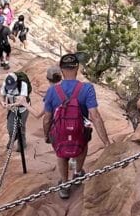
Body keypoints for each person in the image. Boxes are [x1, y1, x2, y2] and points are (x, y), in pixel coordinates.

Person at [42, 53, 111, 199]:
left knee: (60, 153)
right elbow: (95, 116)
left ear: (61, 70)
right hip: (79, 131)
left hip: (59, 133)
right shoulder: (87, 89)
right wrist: (106, 143)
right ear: (77, 68)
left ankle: (65, 184)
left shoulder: (52, 91)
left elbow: (47, 118)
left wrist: (46, 135)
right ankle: (78, 173)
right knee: (83, 141)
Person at [0, 72, 30, 152]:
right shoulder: (5, 84)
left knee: (21, 127)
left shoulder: (22, 84)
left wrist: (11, 105)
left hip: (23, 109)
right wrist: (3, 102)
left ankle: (22, 144)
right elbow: (3, 95)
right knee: (10, 127)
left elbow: (22, 100)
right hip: (12, 109)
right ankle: (13, 137)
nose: (11, 88)